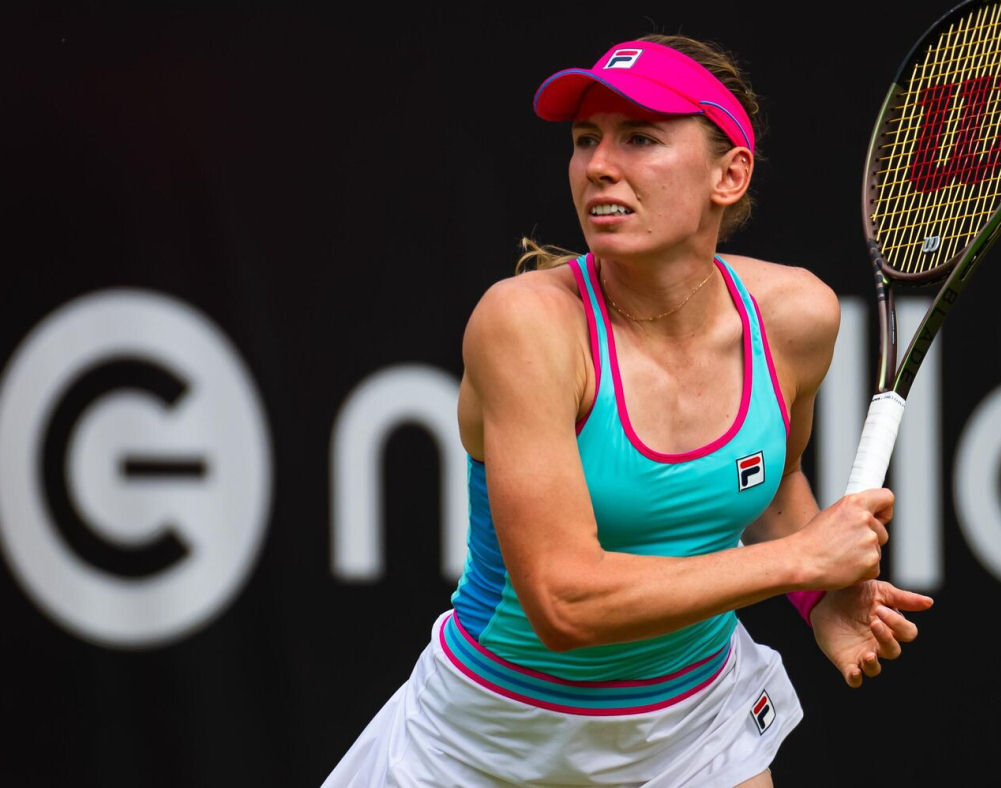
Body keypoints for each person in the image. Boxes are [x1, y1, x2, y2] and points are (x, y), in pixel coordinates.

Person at [325, 32, 933, 788]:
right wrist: (800, 562)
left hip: (695, 728)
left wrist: (818, 599)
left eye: (640, 138)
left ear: (729, 175)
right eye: (586, 140)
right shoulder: (527, 326)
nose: (598, 165)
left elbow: (772, 483)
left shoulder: (795, 317)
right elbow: (565, 604)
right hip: (485, 744)